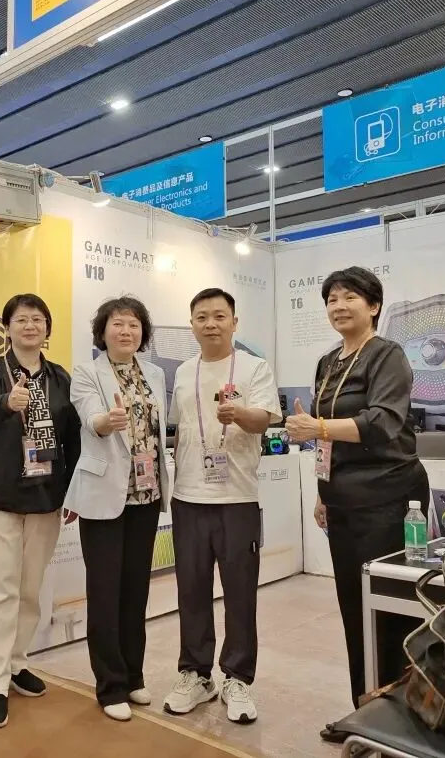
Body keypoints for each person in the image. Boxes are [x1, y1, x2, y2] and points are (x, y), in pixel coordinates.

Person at [284, 266, 429, 743]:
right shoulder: (328, 362)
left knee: (391, 610)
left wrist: (319, 428)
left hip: (389, 497)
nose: (339, 306)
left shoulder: (388, 355)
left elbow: (383, 422)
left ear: (374, 305)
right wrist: (322, 491)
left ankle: (403, 719)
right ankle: (365, 711)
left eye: (350, 297)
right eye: (332, 299)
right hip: (342, 499)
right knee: (354, 606)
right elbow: (323, 436)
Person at [163, 288, 280, 724]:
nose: (210, 324)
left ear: (234, 322)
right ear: (191, 324)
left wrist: (239, 414)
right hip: (188, 497)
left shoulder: (254, 367)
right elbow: (181, 428)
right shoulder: (182, 371)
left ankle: (237, 678)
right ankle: (197, 674)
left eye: (218, 316)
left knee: (240, 593)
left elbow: (264, 420)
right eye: (201, 317)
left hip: (237, 498)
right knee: (191, 591)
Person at [0, 294, 81, 730]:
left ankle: (17, 663)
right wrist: (6, 402)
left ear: (47, 329)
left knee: (30, 589)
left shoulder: (60, 377)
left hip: (45, 497)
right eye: (21, 319)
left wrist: (72, 491)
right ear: (7, 328)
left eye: (37, 319)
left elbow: (72, 437)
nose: (30, 326)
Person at [66, 296, 171, 722]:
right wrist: (104, 422)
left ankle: (133, 675)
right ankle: (110, 685)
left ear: (142, 333)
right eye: (117, 324)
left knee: (135, 591)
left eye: (133, 325)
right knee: (105, 593)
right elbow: (90, 417)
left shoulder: (155, 373)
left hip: (146, 494)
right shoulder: (86, 372)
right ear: (103, 331)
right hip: (103, 495)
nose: (126, 331)